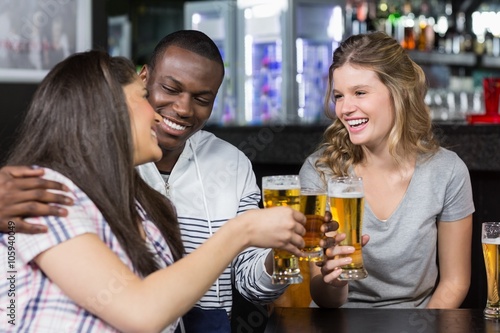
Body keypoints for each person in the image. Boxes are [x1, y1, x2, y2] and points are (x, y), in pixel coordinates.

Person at [0, 30, 317, 331]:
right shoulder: (50, 195)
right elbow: (141, 311)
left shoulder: (136, 196)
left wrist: (282, 248)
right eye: (147, 96)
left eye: (201, 98)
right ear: (106, 111)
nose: (175, 110)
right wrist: (243, 231)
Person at [300, 31, 474, 309]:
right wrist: (335, 281)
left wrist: (422, 329)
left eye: (359, 92)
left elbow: (455, 282)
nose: (345, 108)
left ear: (399, 93)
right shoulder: (319, 170)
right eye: (339, 96)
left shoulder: (447, 170)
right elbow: (321, 297)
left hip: (418, 324)